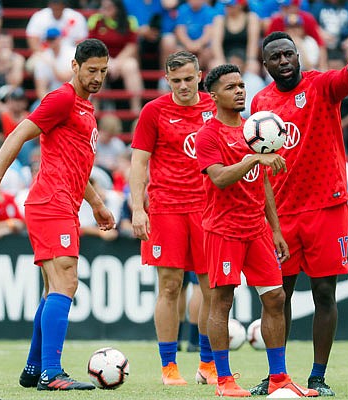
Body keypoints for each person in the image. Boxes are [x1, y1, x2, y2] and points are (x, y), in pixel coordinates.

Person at [0, 38, 112, 391]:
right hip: (51, 202)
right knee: (67, 281)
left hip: (63, 202)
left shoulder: (84, 107)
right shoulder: (62, 98)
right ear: (75, 66)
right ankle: (52, 372)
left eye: (103, 72)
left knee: (54, 287)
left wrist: (95, 203)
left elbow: (76, 165)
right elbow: (18, 134)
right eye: (91, 70)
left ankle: (36, 368)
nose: (97, 77)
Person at [249, 31, 348, 396]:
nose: (284, 61)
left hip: (327, 205)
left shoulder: (320, 86)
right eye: (276, 57)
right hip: (283, 212)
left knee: (324, 293)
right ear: (266, 64)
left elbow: (344, 80)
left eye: (289, 54)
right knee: (277, 296)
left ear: (298, 56)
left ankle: (318, 376)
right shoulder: (261, 102)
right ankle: (278, 376)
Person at [195, 63, 318, 398]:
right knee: (222, 300)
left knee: (276, 298)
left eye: (241, 85)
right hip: (224, 229)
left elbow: (262, 184)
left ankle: (279, 378)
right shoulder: (209, 135)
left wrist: (275, 229)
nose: (239, 91)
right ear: (214, 95)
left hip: (256, 229)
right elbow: (219, 178)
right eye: (231, 87)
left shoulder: (254, 128)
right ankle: (223, 381)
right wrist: (254, 159)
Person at [129, 50, 218, 386]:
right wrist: (139, 208)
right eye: (176, 80)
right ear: (167, 80)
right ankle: (169, 367)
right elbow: (138, 162)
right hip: (167, 208)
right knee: (170, 286)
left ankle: (208, 365)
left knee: (213, 289)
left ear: (199, 76)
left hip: (210, 209)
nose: (183, 85)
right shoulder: (154, 111)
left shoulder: (215, 106)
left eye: (188, 78)